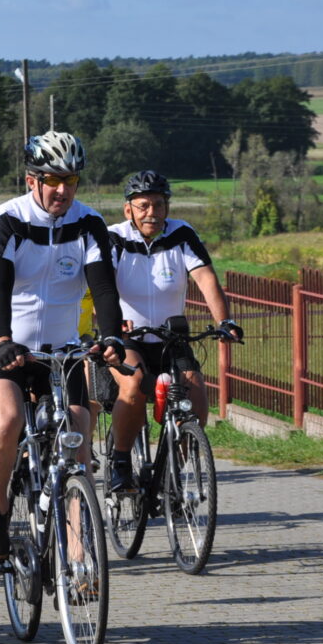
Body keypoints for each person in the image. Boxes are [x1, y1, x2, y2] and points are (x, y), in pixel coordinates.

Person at [0, 130, 125, 561]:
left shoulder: (89, 223)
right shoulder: (6, 220)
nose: (62, 190)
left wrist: (111, 336)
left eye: (70, 181)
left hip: (63, 346)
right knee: (7, 419)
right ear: (31, 179)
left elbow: (105, 289)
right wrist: (2, 339)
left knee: (77, 436)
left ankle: (79, 556)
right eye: (52, 180)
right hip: (1, 340)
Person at [106, 170, 242, 489]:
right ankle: (121, 462)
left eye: (158, 204)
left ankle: (172, 474)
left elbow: (206, 278)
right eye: (143, 206)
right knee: (134, 385)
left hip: (171, 338)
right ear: (129, 209)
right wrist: (111, 322)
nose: (151, 212)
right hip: (129, 338)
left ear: (167, 206)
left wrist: (225, 322)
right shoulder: (114, 237)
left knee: (195, 397)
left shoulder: (181, 233)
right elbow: (102, 288)